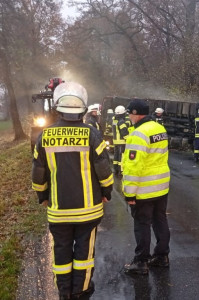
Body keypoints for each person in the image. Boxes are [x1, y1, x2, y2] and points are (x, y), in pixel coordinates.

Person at [31, 82, 113, 300]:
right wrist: (108, 191)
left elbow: (38, 174)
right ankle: (81, 291)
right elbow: (104, 170)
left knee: (61, 252)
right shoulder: (92, 135)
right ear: (83, 109)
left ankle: (64, 291)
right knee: (84, 254)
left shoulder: (45, 136)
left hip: (59, 211)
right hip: (88, 211)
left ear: (58, 108)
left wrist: (43, 196)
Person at [122, 99, 171, 275]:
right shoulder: (159, 128)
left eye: (130, 114)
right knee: (160, 220)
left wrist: (129, 193)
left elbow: (134, 167)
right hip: (161, 187)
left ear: (136, 113)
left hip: (144, 189)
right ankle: (162, 256)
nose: (129, 117)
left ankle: (141, 262)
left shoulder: (138, 134)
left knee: (142, 224)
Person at [112, 105, 130, 176]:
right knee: (121, 157)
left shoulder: (114, 120)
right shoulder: (121, 121)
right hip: (122, 142)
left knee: (116, 156)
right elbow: (124, 132)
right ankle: (121, 171)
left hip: (116, 141)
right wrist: (129, 139)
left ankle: (115, 169)